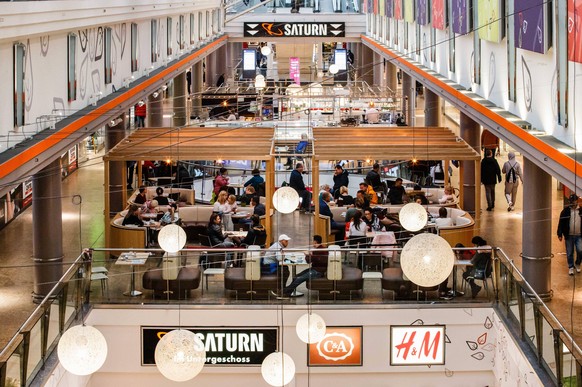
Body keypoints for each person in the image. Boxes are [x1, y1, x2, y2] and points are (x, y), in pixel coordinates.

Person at [557, 194, 582, 275]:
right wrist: (559, 234)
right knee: (569, 252)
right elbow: (561, 223)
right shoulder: (565, 211)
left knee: (580, 250)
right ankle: (571, 267)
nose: (572, 203)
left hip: (579, 235)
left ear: (577, 201)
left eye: (574, 201)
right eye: (571, 201)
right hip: (569, 236)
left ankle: (578, 263)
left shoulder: (581, 211)